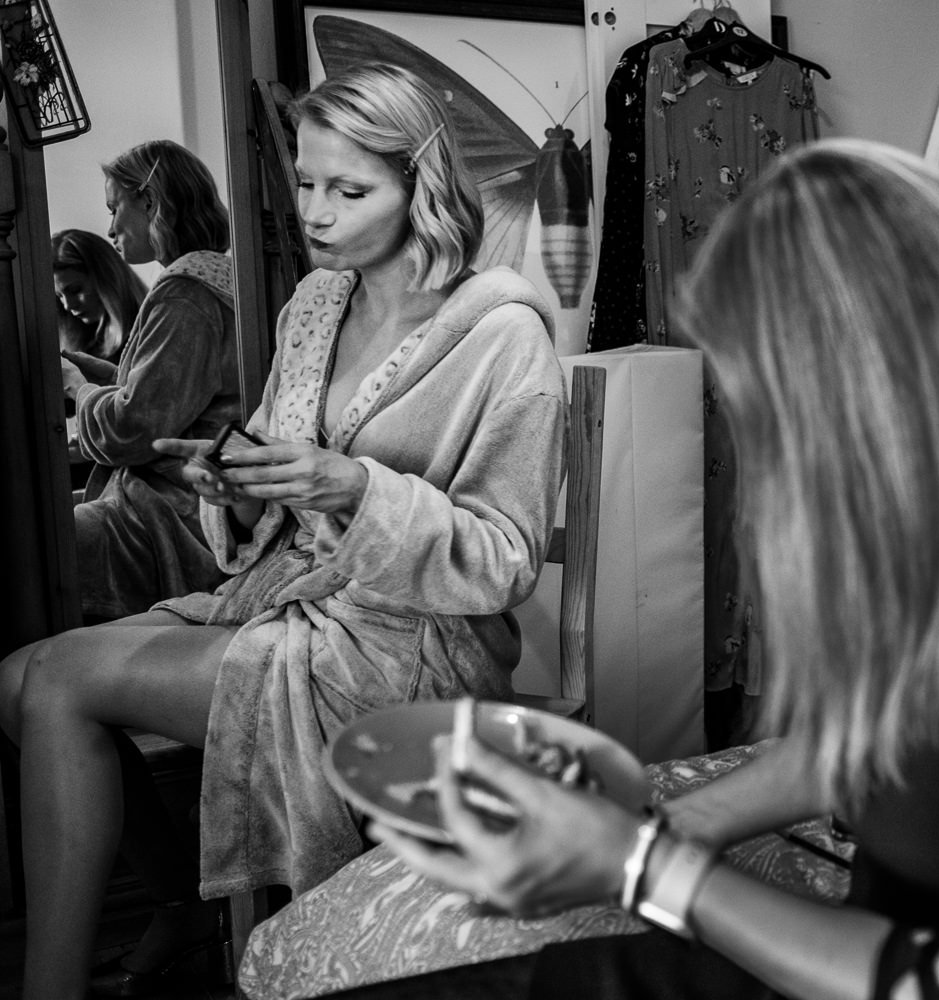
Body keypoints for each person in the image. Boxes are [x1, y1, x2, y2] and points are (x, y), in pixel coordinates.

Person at [368, 139, 939, 1000]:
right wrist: (668, 825)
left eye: (775, 397)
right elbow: (903, 735)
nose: (775, 443)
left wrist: (644, 868)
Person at [0, 62, 566, 1000]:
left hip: (408, 643)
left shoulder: (502, 338)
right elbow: (279, 476)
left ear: (421, 187)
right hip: (285, 595)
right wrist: (229, 480)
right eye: (306, 182)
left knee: (59, 683)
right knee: (17, 678)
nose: (316, 211)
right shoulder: (316, 305)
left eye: (350, 190)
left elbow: (504, 560)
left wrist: (358, 489)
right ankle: (183, 910)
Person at [66, 141, 240, 622]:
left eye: (113, 207)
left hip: (177, 512)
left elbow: (135, 429)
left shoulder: (185, 291)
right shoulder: (218, 275)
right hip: (189, 499)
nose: (110, 227)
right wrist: (115, 377)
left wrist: (78, 389)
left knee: (43, 549)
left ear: (149, 201)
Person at [53, 227, 148, 366]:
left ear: (107, 278)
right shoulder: (84, 343)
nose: (68, 305)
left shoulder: (148, 330)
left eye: (75, 290)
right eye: (59, 296)